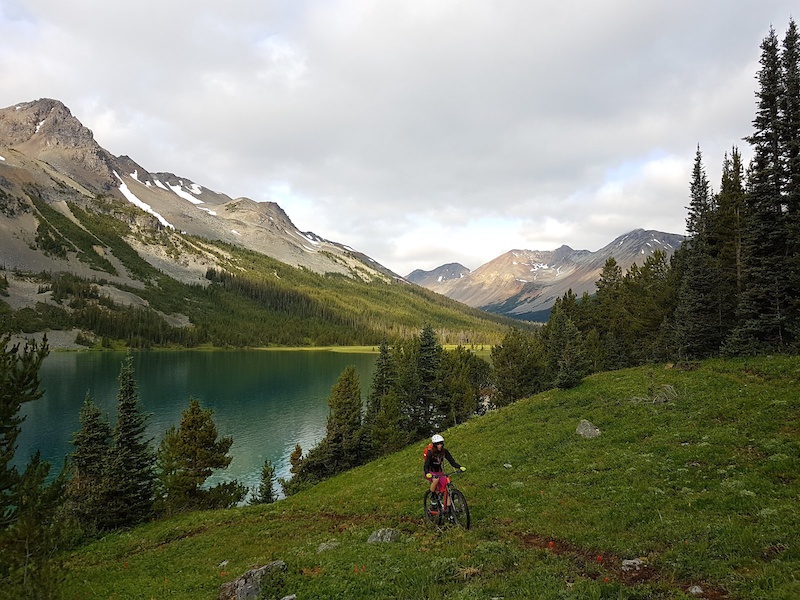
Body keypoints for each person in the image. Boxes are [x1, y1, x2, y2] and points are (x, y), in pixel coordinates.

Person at [424, 434, 466, 509]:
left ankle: (449, 510)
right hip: (430, 471)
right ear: (434, 445)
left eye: (441, 443)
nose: (440, 445)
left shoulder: (444, 451)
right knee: (436, 480)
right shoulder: (430, 453)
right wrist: (427, 473)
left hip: (439, 472)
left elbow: (452, 461)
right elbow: (426, 465)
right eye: (437, 444)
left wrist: (459, 467)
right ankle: (433, 498)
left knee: (447, 486)